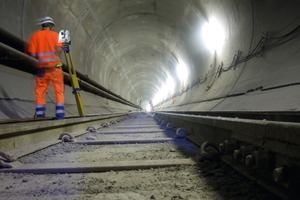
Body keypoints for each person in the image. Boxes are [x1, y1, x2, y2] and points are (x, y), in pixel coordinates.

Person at [28, 16, 65, 120]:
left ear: (43, 25)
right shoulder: (55, 35)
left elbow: (33, 53)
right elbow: (60, 49)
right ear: (51, 25)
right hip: (56, 68)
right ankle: (60, 115)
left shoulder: (35, 36)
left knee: (40, 91)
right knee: (59, 91)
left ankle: (40, 115)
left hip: (42, 69)